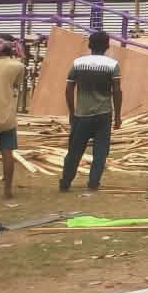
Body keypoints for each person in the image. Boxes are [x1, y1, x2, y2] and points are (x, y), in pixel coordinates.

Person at [62, 30, 122, 193]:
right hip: (104, 114)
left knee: (74, 151)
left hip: (82, 114)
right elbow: (117, 91)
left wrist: (72, 112)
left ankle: (65, 182)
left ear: (89, 45)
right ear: (107, 46)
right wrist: (118, 116)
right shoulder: (112, 65)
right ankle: (94, 182)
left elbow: (69, 89)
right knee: (101, 151)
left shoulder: (78, 63)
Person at [0, 37, 24, 201]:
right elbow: (16, 86)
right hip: (6, 114)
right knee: (7, 152)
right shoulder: (17, 66)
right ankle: (7, 191)